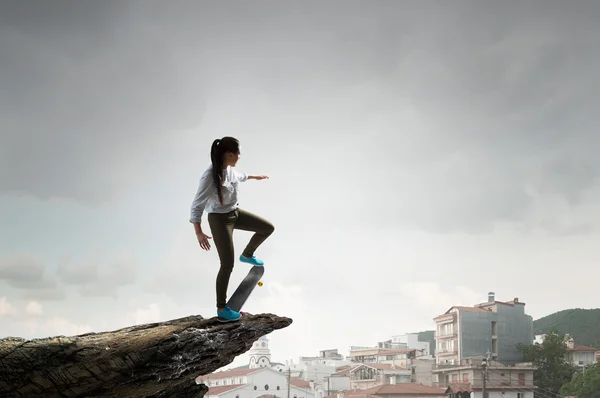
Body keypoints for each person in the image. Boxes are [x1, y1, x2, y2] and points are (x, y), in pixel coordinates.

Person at [189, 136, 274, 322]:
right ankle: (222, 308)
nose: (239, 156)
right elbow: (197, 205)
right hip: (219, 220)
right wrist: (198, 232)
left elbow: (240, 176)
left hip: (235, 213)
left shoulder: (230, 169)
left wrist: (254, 176)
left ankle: (247, 254)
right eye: (238, 153)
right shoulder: (210, 176)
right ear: (229, 154)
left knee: (267, 228)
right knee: (227, 265)